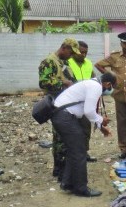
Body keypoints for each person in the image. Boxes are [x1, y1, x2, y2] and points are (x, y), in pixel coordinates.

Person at [50, 72, 117, 197]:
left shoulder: (91, 83)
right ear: (107, 84)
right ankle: (81, 188)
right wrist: (101, 121)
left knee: (73, 149)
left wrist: (100, 126)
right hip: (64, 116)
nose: (109, 90)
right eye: (110, 87)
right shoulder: (96, 86)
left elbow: (87, 112)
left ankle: (67, 183)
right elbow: (89, 111)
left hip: (60, 114)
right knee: (79, 150)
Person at [95, 32, 126, 160]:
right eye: (125, 43)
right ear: (121, 43)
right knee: (122, 125)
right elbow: (98, 64)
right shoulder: (114, 57)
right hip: (119, 95)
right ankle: (124, 149)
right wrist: (110, 77)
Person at [38, 38, 79, 180]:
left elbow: (71, 80)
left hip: (66, 104)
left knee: (64, 137)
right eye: (71, 52)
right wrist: (64, 83)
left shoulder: (65, 63)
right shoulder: (49, 62)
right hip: (56, 105)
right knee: (60, 138)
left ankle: (61, 169)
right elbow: (44, 83)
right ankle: (60, 170)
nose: (72, 55)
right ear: (64, 48)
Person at [67, 40, 97, 163]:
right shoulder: (68, 63)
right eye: (81, 52)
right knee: (72, 130)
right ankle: (72, 155)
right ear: (75, 51)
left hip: (85, 103)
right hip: (72, 103)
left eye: (86, 53)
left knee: (85, 129)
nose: (83, 55)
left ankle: (84, 153)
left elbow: (94, 78)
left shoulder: (88, 64)